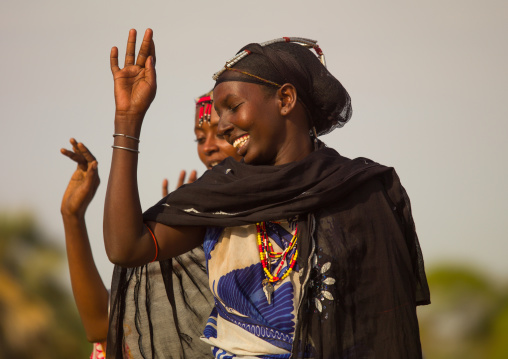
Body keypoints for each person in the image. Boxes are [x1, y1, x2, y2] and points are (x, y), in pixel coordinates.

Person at [105, 29, 430, 358]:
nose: (222, 126)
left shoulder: (361, 192)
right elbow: (127, 247)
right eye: (220, 114)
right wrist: (128, 120)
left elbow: (387, 330)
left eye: (232, 107)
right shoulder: (221, 194)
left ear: (285, 100)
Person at [60, 92, 240, 357]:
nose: (208, 147)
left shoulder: (281, 217)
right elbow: (102, 326)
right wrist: (72, 217)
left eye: (222, 133)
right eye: (200, 138)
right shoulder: (195, 223)